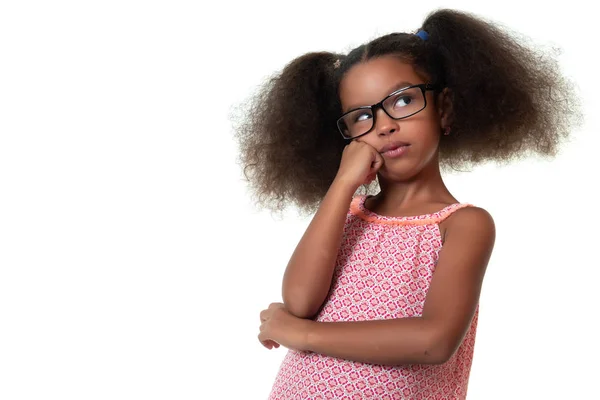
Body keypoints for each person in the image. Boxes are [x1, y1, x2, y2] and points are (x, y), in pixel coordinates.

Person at [232, 8, 581, 400]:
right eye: (362, 116)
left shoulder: (463, 224)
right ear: (348, 135)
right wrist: (344, 183)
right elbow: (299, 300)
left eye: (402, 101)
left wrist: (303, 334)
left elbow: (434, 340)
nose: (384, 125)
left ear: (443, 109)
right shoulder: (346, 212)